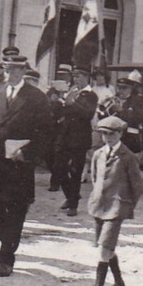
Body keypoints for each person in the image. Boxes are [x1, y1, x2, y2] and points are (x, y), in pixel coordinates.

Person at [0, 56, 54, 277]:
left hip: (19, 164)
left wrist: (26, 153)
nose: (9, 74)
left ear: (23, 71)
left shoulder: (36, 97)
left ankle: (6, 258)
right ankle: (7, 241)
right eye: (6, 70)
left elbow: (46, 133)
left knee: (16, 211)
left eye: (14, 70)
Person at [84, 115, 143, 286]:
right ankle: (118, 283)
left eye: (111, 134)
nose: (107, 138)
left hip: (117, 207)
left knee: (104, 248)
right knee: (106, 246)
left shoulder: (128, 157)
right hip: (99, 205)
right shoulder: (98, 154)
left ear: (120, 134)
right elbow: (95, 178)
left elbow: (137, 186)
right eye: (103, 134)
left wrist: (126, 205)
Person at [55, 85, 99, 216]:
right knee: (58, 168)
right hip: (65, 137)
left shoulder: (91, 95)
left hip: (79, 138)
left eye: (79, 75)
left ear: (86, 77)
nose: (76, 78)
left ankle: (73, 204)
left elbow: (88, 115)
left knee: (75, 171)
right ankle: (71, 195)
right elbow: (62, 114)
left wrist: (72, 104)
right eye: (75, 75)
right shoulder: (72, 92)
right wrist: (60, 103)